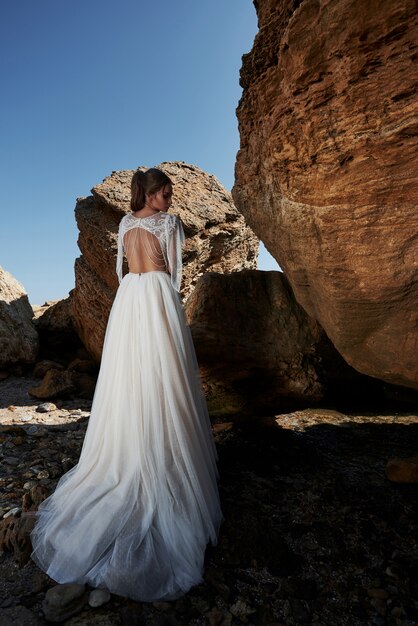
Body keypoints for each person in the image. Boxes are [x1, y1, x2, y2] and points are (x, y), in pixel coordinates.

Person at [30, 167, 223, 602]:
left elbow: (120, 270)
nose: (171, 199)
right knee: (166, 377)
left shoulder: (124, 222)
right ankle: (166, 456)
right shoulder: (169, 224)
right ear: (151, 194)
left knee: (129, 378)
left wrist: (139, 290)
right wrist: (167, 303)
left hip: (129, 299)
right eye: (166, 193)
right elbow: (173, 274)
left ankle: (133, 446)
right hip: (155, 295)